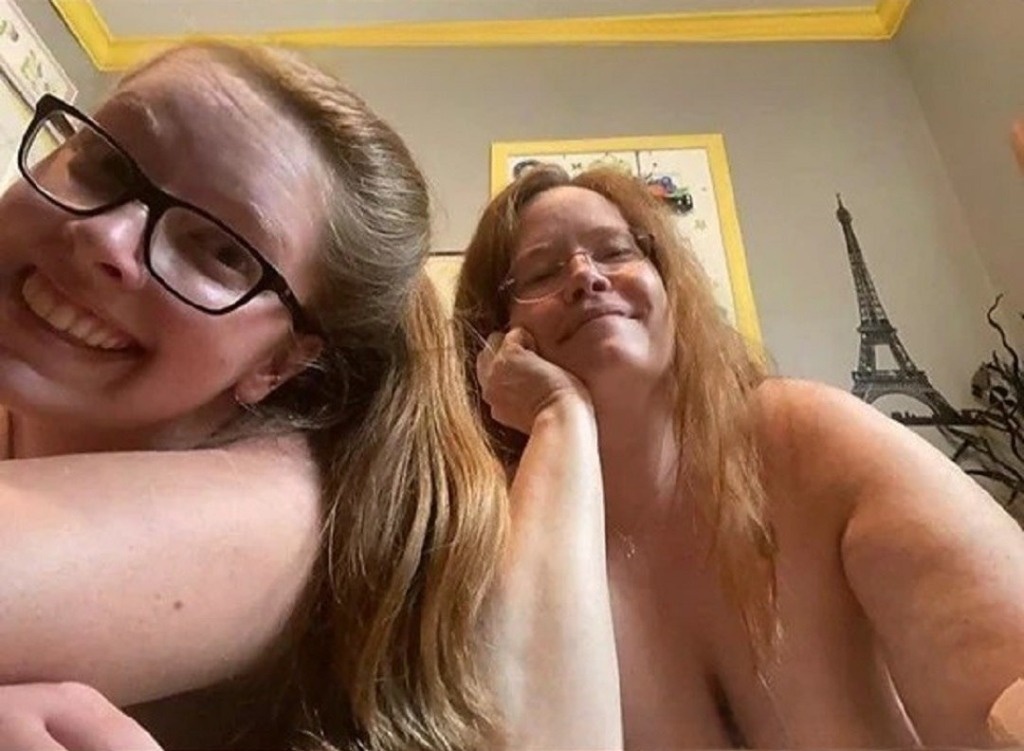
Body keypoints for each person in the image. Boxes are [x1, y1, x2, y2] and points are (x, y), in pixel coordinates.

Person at [0, 41, 507, 751]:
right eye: (106, 165)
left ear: (280, 362)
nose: (104, 237)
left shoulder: (285, 508)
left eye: (220, 251)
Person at [454, 163, 1024, 749]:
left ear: (670, 290)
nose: (585, 275)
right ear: (494, 344)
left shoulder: (801, 437)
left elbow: (1004, 693)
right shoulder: (492, 543)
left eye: (616, 251)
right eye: (542, 272)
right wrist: (559, 416)